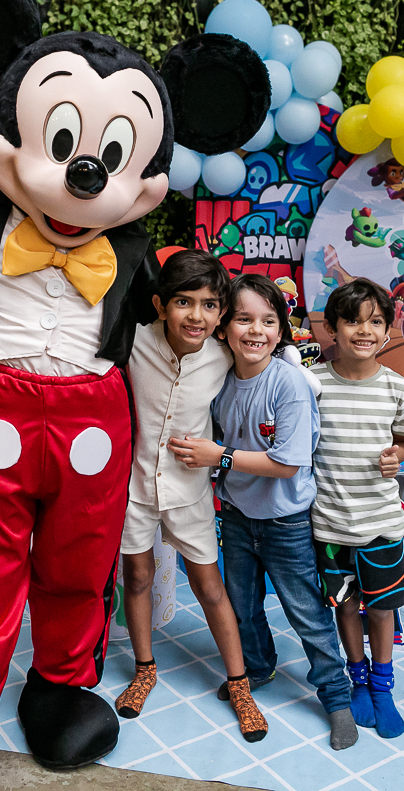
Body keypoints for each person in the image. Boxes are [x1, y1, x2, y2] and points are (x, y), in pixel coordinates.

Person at [167, 274, 358, 751]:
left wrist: (219, 456)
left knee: (306, 612)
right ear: (224, 327)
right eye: (244, 319)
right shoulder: (221, 380)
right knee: (242, 606)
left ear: (281, 328)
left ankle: (337, 697)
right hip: (236, 516)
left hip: (285, 522)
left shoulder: (288, 383)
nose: (256, 330)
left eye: (269, 321)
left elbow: (287, 463)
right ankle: (257, 666)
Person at [114, 250, 267, 742]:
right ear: (161, 305)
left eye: (209, 305)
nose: (196, 315)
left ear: (221, 314)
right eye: (184, 302)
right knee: (138, 577)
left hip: (190, 491)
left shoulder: (224, 356)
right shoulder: (134, 342)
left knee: (209, 587)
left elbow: (270, 365)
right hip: (135, 487)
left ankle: (239, 684)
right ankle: (144, 668)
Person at [309, 278, 404, 739]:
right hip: (330, 524)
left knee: (381, 609)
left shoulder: (398, 388)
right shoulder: (313, 384)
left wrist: (397, 455)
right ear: (331, 328)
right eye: (353, 321)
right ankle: (356, 679)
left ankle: (382, 686)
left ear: (388, 329)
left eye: (375, 322)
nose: (365, 331)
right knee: (346, 604)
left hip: (381, 523)